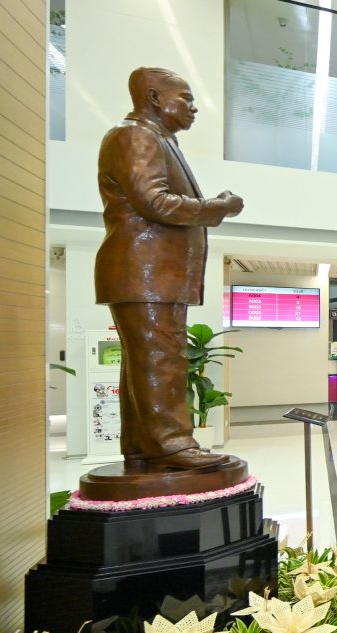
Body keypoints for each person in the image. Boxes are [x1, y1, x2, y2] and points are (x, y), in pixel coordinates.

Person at [95, 67, 244, 470]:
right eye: (186, 98)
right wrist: (216, 208)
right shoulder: (135, 136)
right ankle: (171, 445)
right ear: (154, 97)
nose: (193, 108)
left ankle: (143, 445)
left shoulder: (157, 139)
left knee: (146, 360)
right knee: (161, 359)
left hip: (152, 275)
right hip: (146, 273)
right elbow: (154, 202)